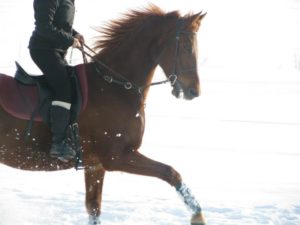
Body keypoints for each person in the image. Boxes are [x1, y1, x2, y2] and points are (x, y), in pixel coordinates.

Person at [28, 0, 84, 161]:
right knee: (64, 89)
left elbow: (60, 23)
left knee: (73, 85)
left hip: (57, 51)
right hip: (43, 50)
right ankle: (58, 144)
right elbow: (43, 27)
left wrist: (74, 34)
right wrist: (69, 40)